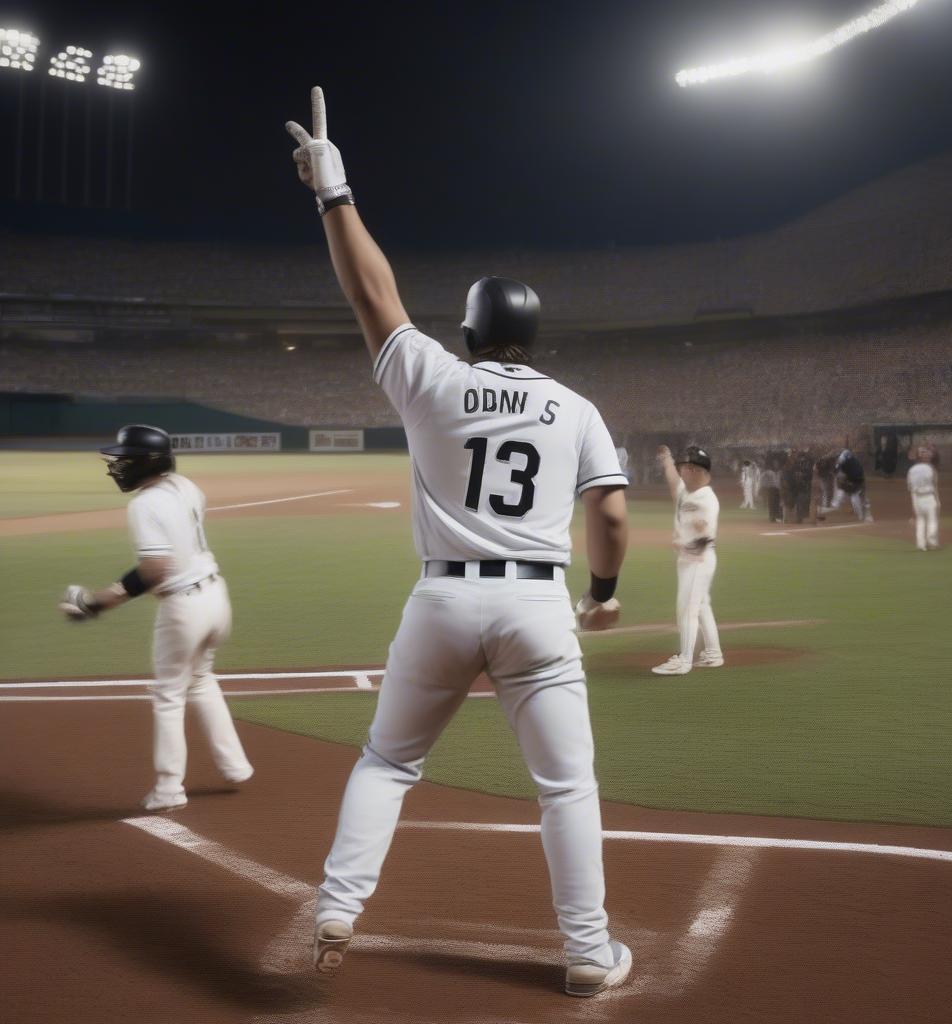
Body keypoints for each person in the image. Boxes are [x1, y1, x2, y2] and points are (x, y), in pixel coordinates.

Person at [286, 87, 632, 998]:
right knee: (566, 787)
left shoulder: (432, 377)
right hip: (537, 603)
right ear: (535, 336)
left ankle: (336, 904)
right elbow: (614, 514)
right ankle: (589, 952)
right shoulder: (577, 406)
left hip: (442, 598)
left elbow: (372, 290)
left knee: (389, 761)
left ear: (471, 332)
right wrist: (602, 591)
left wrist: (334, 191)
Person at [58, 424, 254, 811]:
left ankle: (168, 789)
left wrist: (98, 602)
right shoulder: (184, 486)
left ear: (147, 462)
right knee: (200, 680)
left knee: (168, 695)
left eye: (125, 459)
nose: (117, 466)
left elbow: (157, 568)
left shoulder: (144, 505)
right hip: (216, 597)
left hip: (185, 607)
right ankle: (234, 765)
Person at [651, 444, 723, 676]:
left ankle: (684, 660)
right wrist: (666, 459)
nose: (681, 471)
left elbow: (705, 535)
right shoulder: (688, 492)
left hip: (697, 560)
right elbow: (674, 485)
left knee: (687, 609)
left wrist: (686, 545)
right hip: (690, 559)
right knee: (701, 607)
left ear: (696, 471)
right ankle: (713, 654)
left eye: (685, 467)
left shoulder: (706, 498)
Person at [907, 445, 940, 551]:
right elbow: (934, 485)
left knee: (920, 521)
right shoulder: (931, 469)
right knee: (932, 520)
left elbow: (910, 487)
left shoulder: (912, 470)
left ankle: (921, 545)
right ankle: (932, 542)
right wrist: (938, 500)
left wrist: (913, 504)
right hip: (929, 497)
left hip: (916, 497)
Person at [829, 448, 873, 522]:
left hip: (857, 481)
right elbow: (837, 470)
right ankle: (861, 515)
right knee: (844, 495)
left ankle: (866, 515)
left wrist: (846, 480)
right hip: (850, 481)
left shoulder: (853, 464)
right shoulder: (845, 460)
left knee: (858, 498)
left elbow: (854, 477)